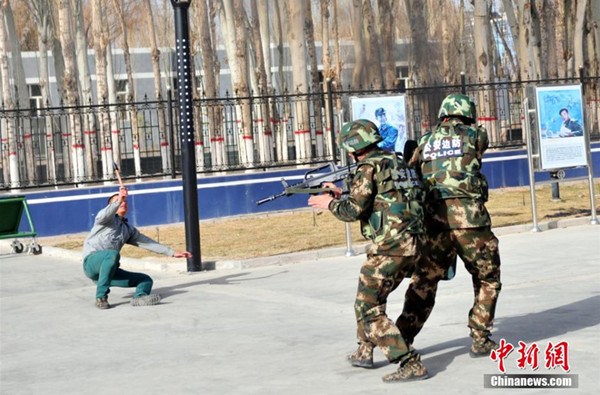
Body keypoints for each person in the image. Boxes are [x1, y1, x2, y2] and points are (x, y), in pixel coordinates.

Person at [308, 119, 429, 382]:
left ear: (353, 147)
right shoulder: (396, 162)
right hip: (414, 244)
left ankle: (408, 362)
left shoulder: (367, 167)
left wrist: (328, 203)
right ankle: (365, 350)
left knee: (367, 306)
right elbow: (383, 197)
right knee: (374, 295)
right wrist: (342, 195)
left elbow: (353, 210)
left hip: (390, 247)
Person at [396, 93, 502, 358]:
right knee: (487, 277)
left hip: (434, 224)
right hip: (471, 222)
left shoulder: (425, 140)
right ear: (468, 114)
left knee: (424, 281)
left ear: (442, 114)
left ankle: (401, 339)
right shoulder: (477, 134)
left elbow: (413, 168)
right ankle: (480, 337)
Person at [83, 186, 191, 309]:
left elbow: (147, 242)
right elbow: (102, 215)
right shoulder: (105, 221)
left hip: (108, 272)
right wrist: (119, 199)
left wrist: (172, 252)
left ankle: (139, 297)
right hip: (91, 264)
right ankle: (101, 297)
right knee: (112, 254)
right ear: (111, 206)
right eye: (118, 201)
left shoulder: (128, 229)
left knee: (145, 280)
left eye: (125, 201)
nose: (123, 202)